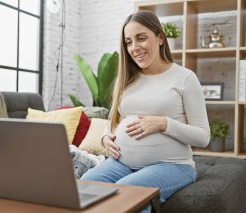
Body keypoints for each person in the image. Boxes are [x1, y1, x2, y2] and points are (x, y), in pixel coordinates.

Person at [80, 10, 210, 208]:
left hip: (173, 165)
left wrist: (163, 124)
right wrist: (105, 138)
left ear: (159, 38)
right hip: (122, 164)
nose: (135, 47)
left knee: (125, 194)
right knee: (83, 187)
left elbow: (203, 137)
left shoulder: (185, 78)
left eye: (141, 38)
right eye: (129, 42)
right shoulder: (127, 80)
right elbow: (114, 122)